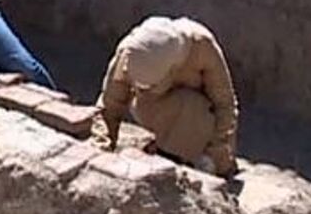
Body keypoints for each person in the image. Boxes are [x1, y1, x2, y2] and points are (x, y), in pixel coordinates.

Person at [97, 16, 239, 177]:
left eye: (151, 84)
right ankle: (168, 150)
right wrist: (101, 147)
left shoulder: (201, 47)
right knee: (146, 102)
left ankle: (189, 155)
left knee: (192, 107)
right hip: (157, 109)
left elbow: (225, 105)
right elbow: (109, 107)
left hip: (202, 118)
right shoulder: (130, 54)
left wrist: (214, 153)